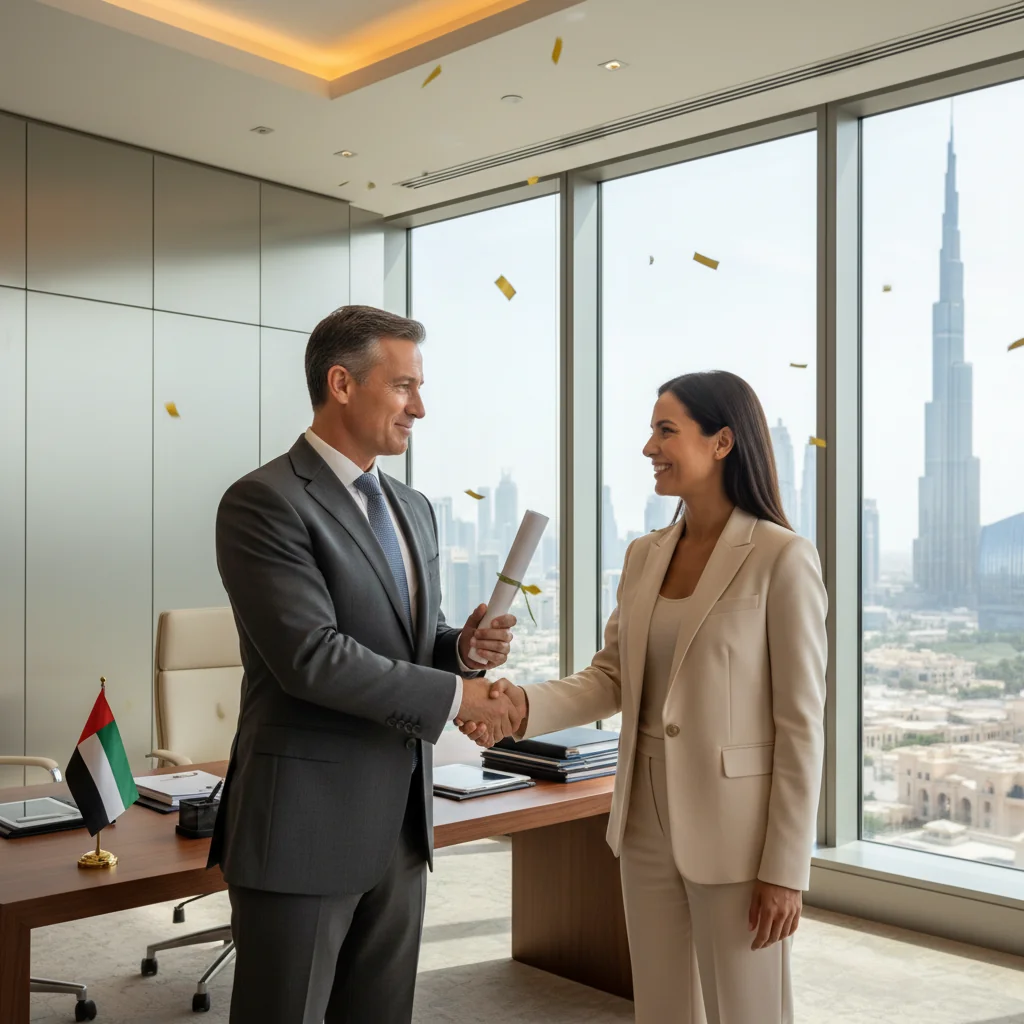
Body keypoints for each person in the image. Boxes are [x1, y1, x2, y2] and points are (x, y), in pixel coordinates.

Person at [460, 370, 827, 1024]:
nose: (648, 447)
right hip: (643, 822)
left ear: (721, 442)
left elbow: (801, 725)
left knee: (748, 1011)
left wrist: (785, 868)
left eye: (666, 430)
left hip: (738, 835)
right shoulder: (643, 556)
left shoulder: (782, 557)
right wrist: (520, 708)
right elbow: (612, 678)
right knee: (661, 1008)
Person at [210, 305, 522, 1024]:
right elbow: (311, 656)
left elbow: (408, 637)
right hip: (304, 825)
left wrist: (459, 649)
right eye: (403, 386)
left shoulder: (413, 508)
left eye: (420, 388)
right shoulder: (264, 502)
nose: (420, 408)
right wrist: (461, 698)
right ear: (342, 384)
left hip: (402, 826)